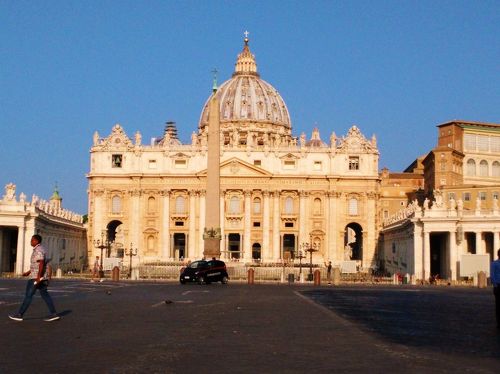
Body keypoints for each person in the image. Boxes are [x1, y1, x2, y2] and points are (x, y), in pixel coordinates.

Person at [8, 234, 60, 322]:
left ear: (36, 241)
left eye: (32, 240)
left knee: (28, 295)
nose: (30, 241)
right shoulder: (39, 249)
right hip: (39, 276)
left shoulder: (38, 250)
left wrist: (38, 277)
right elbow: (36, 264)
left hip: (36, 277)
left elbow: (41, 264)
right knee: (45, 295)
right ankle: (54, 313)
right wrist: (28, 272)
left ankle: (19, 314)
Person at [491, 248, 500, 329]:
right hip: (498, 286)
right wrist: (495, 285)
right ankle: (498, 322)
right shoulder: (494, 264)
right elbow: (492, 275)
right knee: (498, 305)